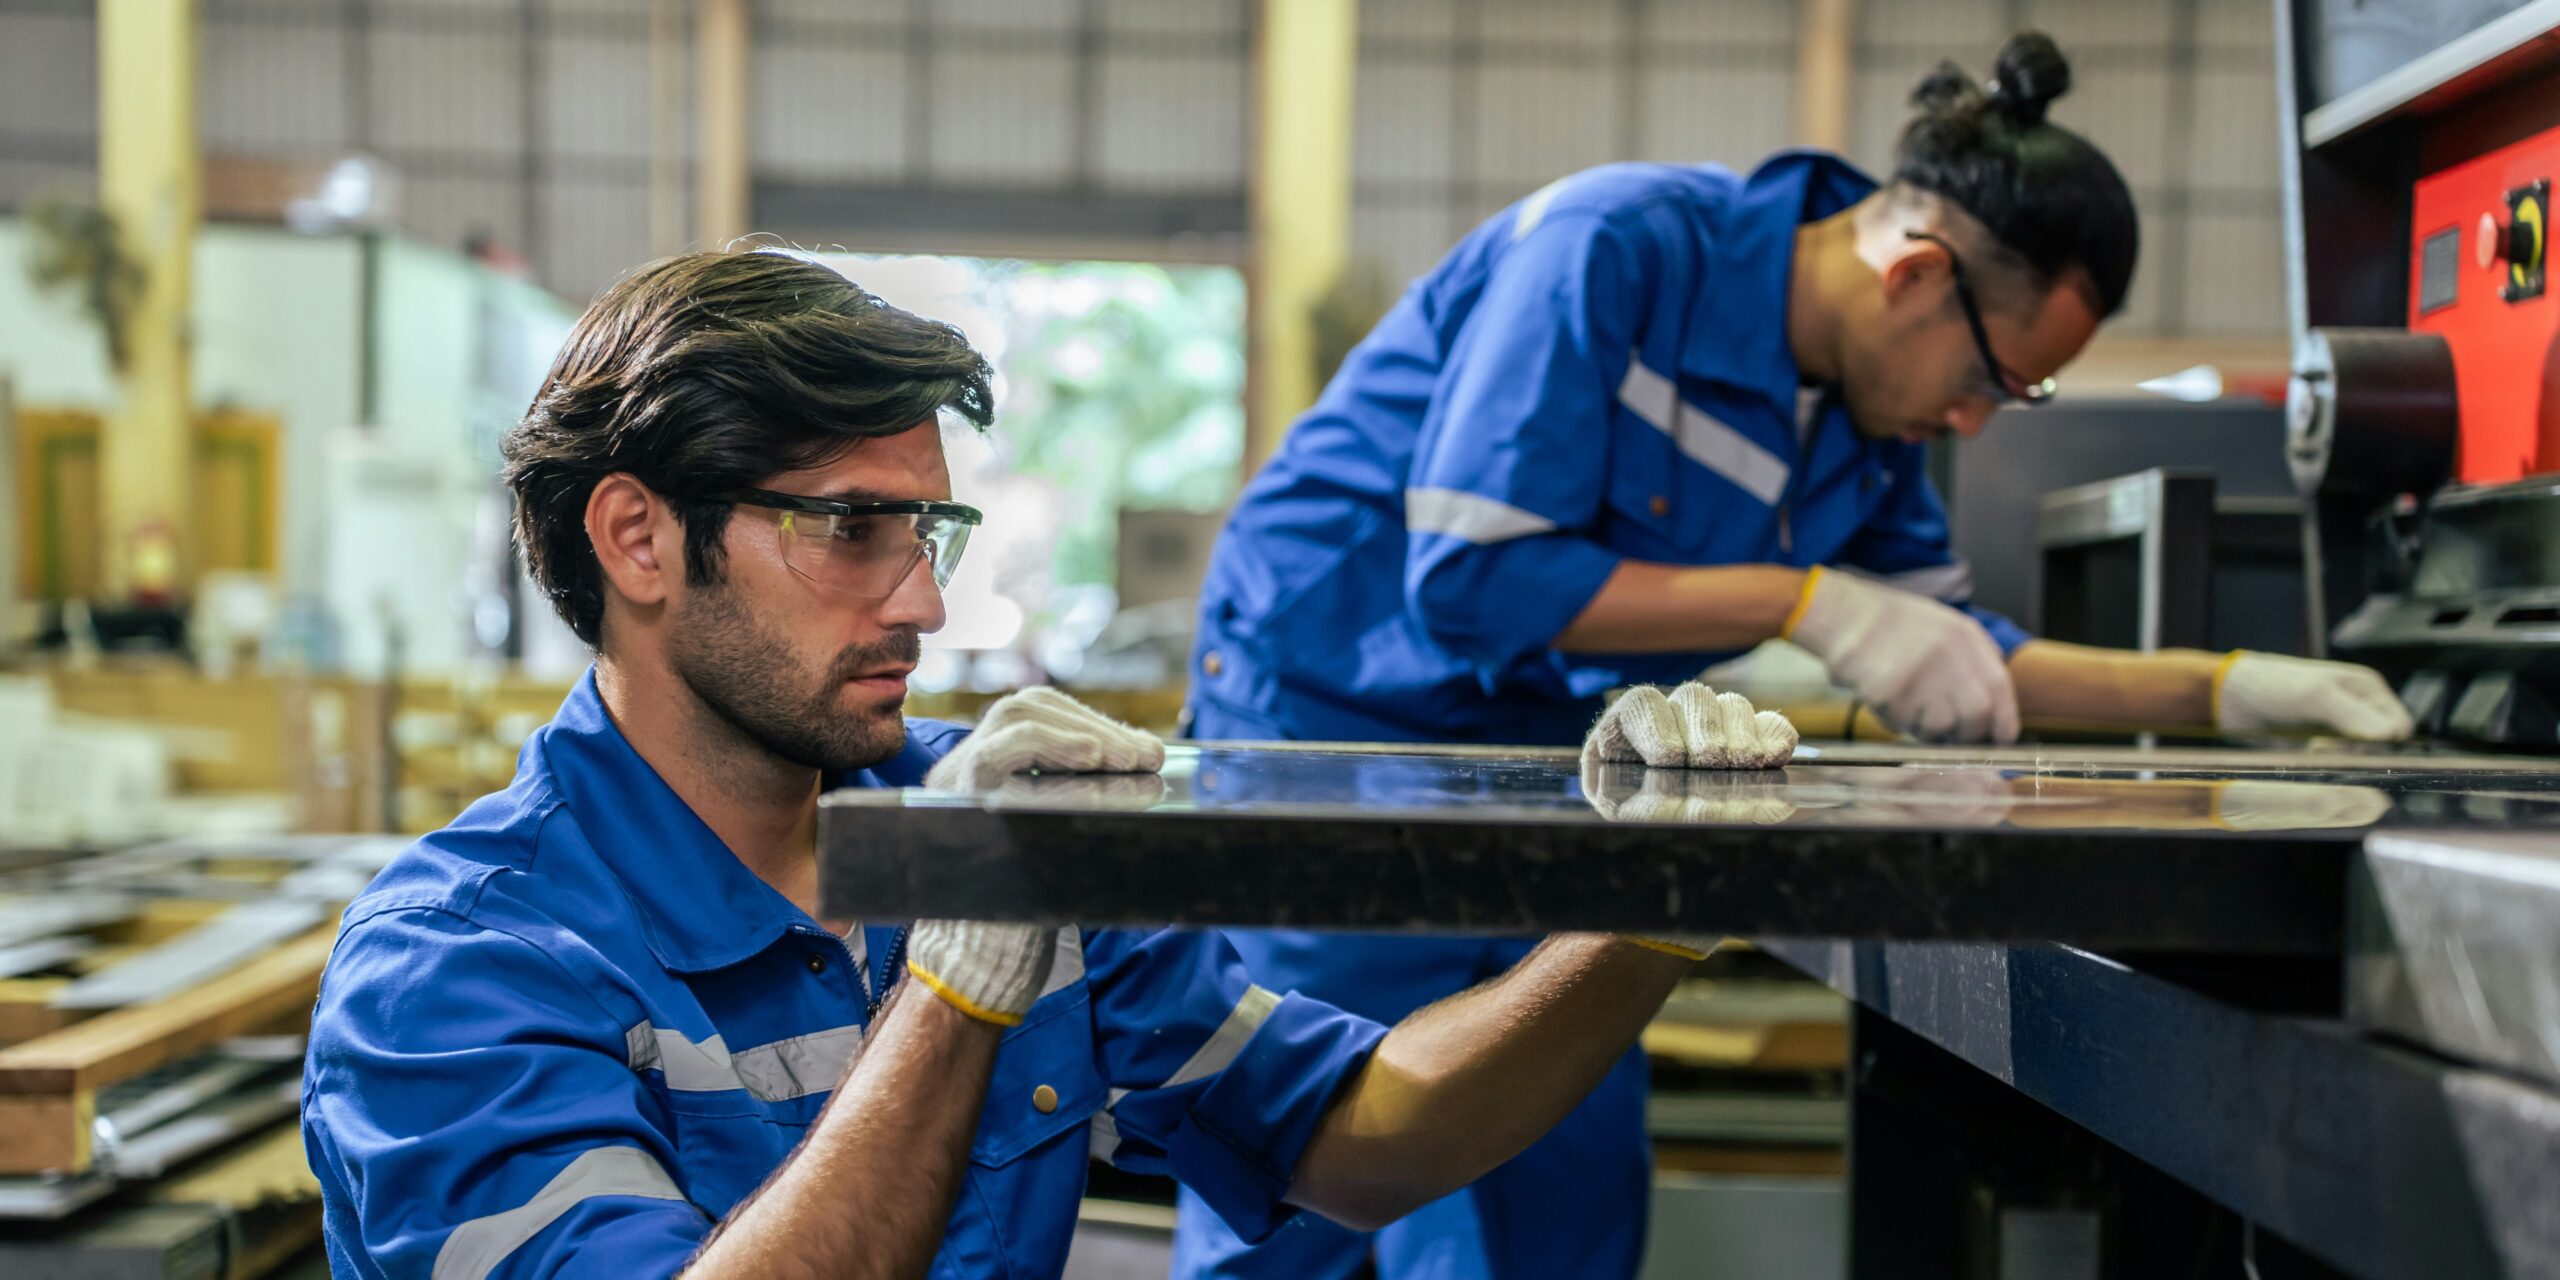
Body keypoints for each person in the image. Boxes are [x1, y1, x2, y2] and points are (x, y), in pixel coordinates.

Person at [1174, 32, 2414, 1280]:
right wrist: (1803, 599)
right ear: (1915, 272)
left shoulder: (1863, 424)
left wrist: (2227, 687)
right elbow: (1469, 576)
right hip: (1333, 712)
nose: (1973, 420)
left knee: (1558, 1168)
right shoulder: (1613, 247)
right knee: (1315, 1157)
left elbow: (1959, 655)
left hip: (1548, 750)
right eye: (1991, 379)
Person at [299, 248, 1736, 1280]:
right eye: (851, 530)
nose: (923, 603)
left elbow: (1355, 1139)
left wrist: (1642, 913)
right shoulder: (457, 967)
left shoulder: (977, 827)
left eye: (928, 535)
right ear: (638, 539)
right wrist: (956, 985)